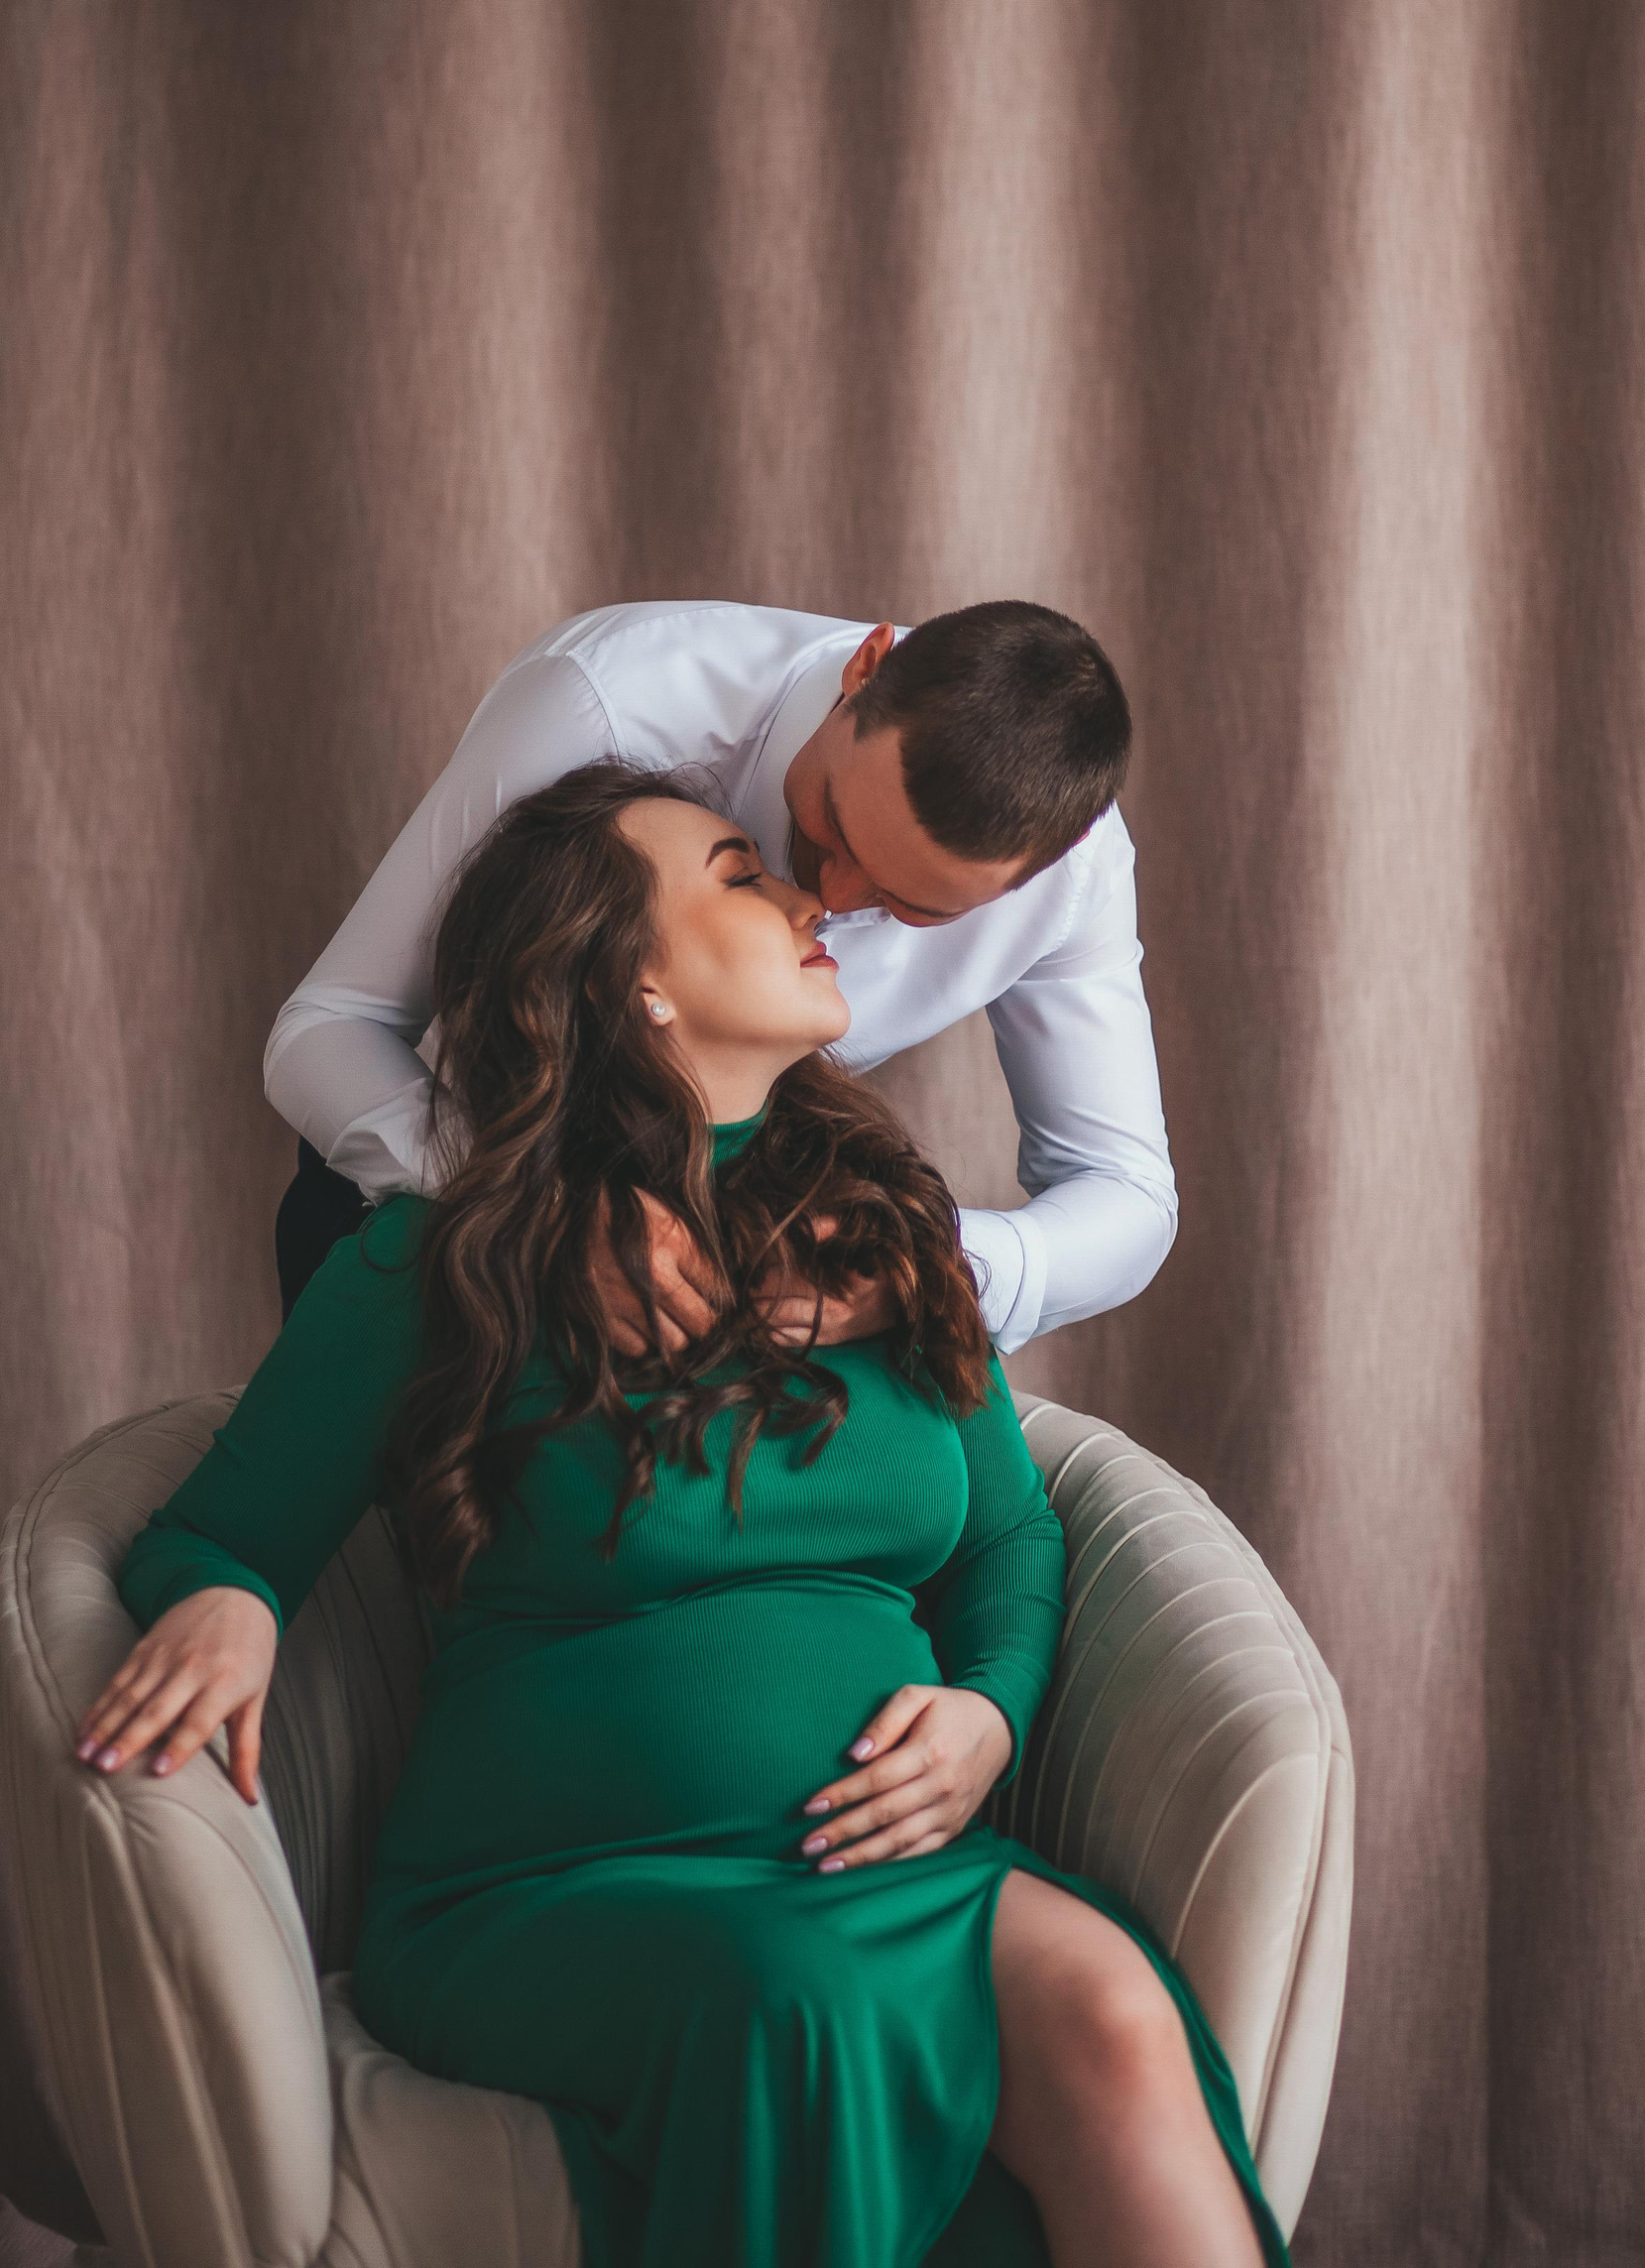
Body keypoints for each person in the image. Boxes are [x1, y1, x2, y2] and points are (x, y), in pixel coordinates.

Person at [76, 767, 1285, 2268]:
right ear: (632, 982)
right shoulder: (444, 1258)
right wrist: (229, 1595)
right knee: (800, 2010)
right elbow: (217, 1530)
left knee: (1114, 2012)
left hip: (882, 1873)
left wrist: (991, 1712)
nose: (804, 894)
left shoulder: (887, 1230)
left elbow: (1010, 1541)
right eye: (736, 872)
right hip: (551, 1891)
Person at [266, 598, 1176, 1351]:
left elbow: (1126, 1195)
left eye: (911, 906)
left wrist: (918, 1263)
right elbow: (330, 1026)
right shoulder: (603, 704)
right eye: (833, 825)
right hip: (433, 1201)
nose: (828, 898)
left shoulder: (1076, 881)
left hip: (738, 1272)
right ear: (865, 669)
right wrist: (548, 1208)